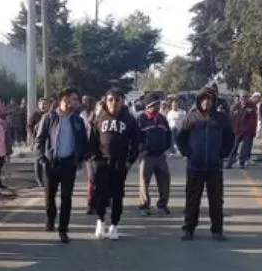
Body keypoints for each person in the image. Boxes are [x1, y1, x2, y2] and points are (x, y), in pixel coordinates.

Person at [177, 87, 234, 241]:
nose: (206, 102)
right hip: (195, 166)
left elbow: (230, 138)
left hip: (215, 167)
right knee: (192, 199)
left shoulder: (222, 119)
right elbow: (180, 138)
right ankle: (189, 228)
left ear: (214, 101)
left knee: (216, 200)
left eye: (209, 99)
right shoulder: (191, 118)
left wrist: (223, 153)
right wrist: (188, 152)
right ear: (198, 100)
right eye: (203, 99)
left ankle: (217, 230)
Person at [35, 88, 88, 243]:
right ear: (63, 100)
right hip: (52, 163)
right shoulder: (49, 117)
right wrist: (42, 158)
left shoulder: (77, 120)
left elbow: (83, 141)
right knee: (49, 195)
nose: (76, 102)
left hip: (69, 163)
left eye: (76, 99)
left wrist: (81, 158)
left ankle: (63, 229)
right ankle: (50, 218)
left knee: (66, 197)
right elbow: (39, 140)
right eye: (73, 99)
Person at [89, 89, 140, 240]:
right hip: (102, 162)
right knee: (101, 193)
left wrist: (130, 161)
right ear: (106, 101)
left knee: (117, 195)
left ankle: (114, 225)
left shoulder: (129, 119)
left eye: (117, 100)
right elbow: (93, 140)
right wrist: (94, 159)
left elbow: (136, 143)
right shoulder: (99, 118)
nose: (113, 103)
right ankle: (100, 221)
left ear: (122, 102)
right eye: (110, 100)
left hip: (119, 162)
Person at [136, 95, 173, 216]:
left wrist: (166, 147)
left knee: (164, 181)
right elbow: (136, 137)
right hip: (147, 156)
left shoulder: (162, 119)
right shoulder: (141, 119)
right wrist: (142, 149)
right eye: (155, 104)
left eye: (158, 104)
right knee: (144, 182)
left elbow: (168, 134)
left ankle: (162, 205)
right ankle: (144, 206)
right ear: (148, 106)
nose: (158, 106)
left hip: (160, 156)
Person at [228, 93, 259, 169]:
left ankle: (242, 162)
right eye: (242, 97)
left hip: (247, 131)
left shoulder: (252, 106)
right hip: (238, 130)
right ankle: (230, 162)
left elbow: (253, 120)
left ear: (248, 98)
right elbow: (232, 116)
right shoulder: (236, 106)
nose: (243, 99)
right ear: (240, 98)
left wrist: (252, 131)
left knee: (245, 148)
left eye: (245, 97)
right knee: (234, 147)